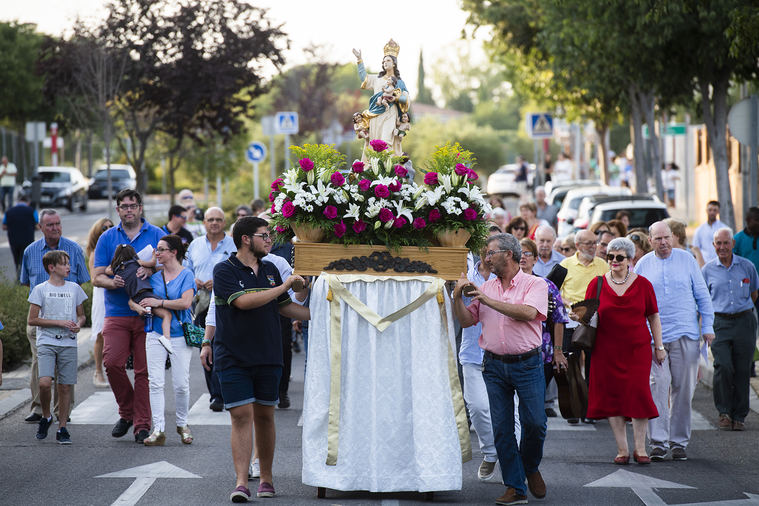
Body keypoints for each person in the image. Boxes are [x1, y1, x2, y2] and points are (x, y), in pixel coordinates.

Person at [210, 216, 310, 501]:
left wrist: (322, 314)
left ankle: (266, 478)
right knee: (241, 416)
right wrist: (284, 286)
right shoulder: (224, 270)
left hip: (268, 354)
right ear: (245, 239)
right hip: (233, 356)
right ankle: (242, 482)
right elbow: (243, 302)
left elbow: (286, 307)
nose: (269, 240)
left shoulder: (269, 269)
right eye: (264, 235)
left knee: (265, 416)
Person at [453, 233, 548, 505]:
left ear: (509, 253)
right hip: (493, 365)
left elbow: (528, 313)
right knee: (502, 428)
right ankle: (515, 487)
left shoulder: (534, 284)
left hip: (527, 364)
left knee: (535, 424)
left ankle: (529, 466)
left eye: (491, 252)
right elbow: (467, 321)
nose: (486, 258)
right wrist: (457, 297)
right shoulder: (487, 287)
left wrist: (485, 298)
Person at [576, 238, 664, 464]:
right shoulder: (596, 284)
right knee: (612, 396)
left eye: (619, 257)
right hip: (605, 350)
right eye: (610, 257)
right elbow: (587, 316)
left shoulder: (643, 284)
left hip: (637, 349)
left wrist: (659, 346)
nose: (614, 261)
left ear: (630, 259)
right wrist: (576, 316)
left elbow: (653, 316)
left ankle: (641, 448)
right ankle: (622, 450)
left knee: (638, 394)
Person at [634, 221, 714, 461]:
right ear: (650, 241)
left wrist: (707, 327)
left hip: (686, 333)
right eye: (658, 239)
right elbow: (636, 302)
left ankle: (678, 442)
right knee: (657, 386)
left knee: (684, 389)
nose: (663, 242)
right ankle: (658, 442)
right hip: (653, 338)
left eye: (667, 237)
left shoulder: (687, 259)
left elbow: (702, 295)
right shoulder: (643, 264)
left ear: (673, 237)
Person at [93, 189, 164, 443]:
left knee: (144, 372)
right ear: (118, 210)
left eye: (133, 205)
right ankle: (127, 411)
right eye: (124, 206)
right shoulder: (107, 238)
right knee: (112, 363)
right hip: (117, 312)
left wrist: (150, 269)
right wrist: (113, 283)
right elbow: (97, 276)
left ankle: (142, 426)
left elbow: (171, 265)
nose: (129, 210)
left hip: (148, 311)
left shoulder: (157, 234)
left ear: (141, 208)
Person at [20, 209, 89, 424]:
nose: (55, 228)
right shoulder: (31, 251)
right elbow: (25, 282)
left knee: (65, 364)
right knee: (39, 362)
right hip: (38, 319)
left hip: (67, 320)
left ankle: (62, 411)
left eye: (58, 223)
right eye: (50, 225)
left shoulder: (74, 249)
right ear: (40, 227)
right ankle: (39, 409)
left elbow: (82, 281)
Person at [135, 234, 196, 446]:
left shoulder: (187, 275)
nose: (157, 253)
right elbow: (140, 298)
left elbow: (185, 303)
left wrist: (158, 302)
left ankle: (182, 424)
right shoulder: (152, 276)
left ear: (174, 252)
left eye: (161, 249)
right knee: (155, 383)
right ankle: (158, 429)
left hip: (180, 335)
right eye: (157, 250)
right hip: (155, 333)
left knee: (181, 384)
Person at [27, 250, 87, 444]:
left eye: (68, 263)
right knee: (44, 383)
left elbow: (81, 315)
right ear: (51, 268)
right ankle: (46, 416)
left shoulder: (74, 288)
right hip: (46, 341)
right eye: (64, 264)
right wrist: (60, 322)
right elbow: (32, 319)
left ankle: (62, 428)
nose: (69, 267)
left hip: (68, 342)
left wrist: (79, 323)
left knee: (65, 386)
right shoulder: (40, 289)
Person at [702, 227, 758, 431]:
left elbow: (754, 294)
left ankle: (739, 415)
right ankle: (724, 411)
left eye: (726, 243)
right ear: (714, 245)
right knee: (723, 366)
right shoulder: (707, 270)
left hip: (744, 321)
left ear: (733, 244)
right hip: (720, 323)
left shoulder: (747, 266)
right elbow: (703, 299)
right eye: (719, 243)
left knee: (743, 369)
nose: (722, 247)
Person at [460, 228, 502, 482]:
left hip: (502, 351)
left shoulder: (509, 275)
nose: (488, 251)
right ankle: (490, 452)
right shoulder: (463, 272)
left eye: (493, 247)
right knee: (477, 407)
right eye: (485, 245)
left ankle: (514, 462)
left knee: (511, 413)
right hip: (473, 351)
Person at [185, 207, 235, 412]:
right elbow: (185, 270)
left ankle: (224, 392)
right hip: (201, 303)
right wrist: (193, 281)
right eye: (210, 219)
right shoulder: (195, 245)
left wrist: (222, 282)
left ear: (224, 222)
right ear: (204, 222)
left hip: (227, 304)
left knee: (224, 347)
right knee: (205, 347)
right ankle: (216, 394)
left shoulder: (233, 245)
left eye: (218, 219)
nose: (214, 223)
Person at [558, 230, 608, 424]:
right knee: (572, 365)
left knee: (593, 366)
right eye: (588, 244)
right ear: (577, 246)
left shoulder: (602, 265)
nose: (593, 247)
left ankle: (590, 410)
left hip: (595, 322)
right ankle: (574, 407)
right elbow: (555, 292)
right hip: (571, 321)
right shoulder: (565, 264)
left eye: (595, 243)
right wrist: (569, 303)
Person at [519, 238, 569, 418]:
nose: (523, 257)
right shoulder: (505, 284)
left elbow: (559, 318)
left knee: (534, 401)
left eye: (528, 253)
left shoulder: (547, 285)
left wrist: (558, 352)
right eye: (519, 253)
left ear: (535, 259)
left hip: (542, 354)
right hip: (513, 352)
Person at [352, 39, 410, 157]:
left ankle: (388, 169)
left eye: (388, 60)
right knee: (375, 142)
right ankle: (375, 169)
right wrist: (359, 60)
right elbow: (364, 78)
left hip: (390, 113)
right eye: (384, 61)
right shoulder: (376, 79)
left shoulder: (399, 82)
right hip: (376, 115)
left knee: (386, 140)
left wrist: (396, 97)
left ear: (394, 63)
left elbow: (406, 100)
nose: (385, 63)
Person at [106, 244, 172, 343]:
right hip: (144, 292)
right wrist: (154, 255)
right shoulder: (136, 262)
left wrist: (116, 260)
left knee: (150, 311)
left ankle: (143, 309)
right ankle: (166, 338)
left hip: (134, 297)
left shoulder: (116, 269)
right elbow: (152, 263)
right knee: (167, 313)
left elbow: (107, 270)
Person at [86, 217, 114, 387]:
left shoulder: (117, 248)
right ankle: (98, 372)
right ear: (98, 232)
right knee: (100, 333)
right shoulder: (96, 252)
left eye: (111, 227)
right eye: (104, 228)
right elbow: (94, 278)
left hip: (117, 292)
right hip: (102, 294)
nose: (108, 230)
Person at [2, 195, 38, 281]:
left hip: (13, 240)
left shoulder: (9, 212)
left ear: (18, 202)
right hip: (28, 239)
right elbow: (37, 226)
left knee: (16, 259)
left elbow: (4, 227)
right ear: (28, 202)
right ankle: (23, 279)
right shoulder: (32, 211)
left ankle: (19, 277)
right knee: (25, 259)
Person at [693, 201, 724, 265]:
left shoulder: (723, 229)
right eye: (710, 210)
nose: (712, 212)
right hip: (703, 264)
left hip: (719, 263)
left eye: (714, 210)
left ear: (718, 212)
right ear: (706, 211)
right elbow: (695, 248)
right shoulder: (699, 230)